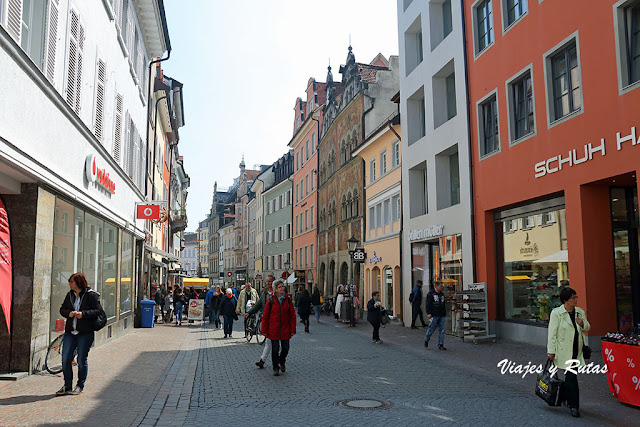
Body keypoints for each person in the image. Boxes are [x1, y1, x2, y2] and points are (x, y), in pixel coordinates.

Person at [56, 273, 104, 396]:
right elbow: (62, 309)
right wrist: (69, 313)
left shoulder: (91, 295)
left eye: (71, 281)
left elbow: (98, 311)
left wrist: (83, 314)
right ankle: (67, 386)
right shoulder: (70, 295)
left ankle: (79, 385)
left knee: (81, 359)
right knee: (66, 358)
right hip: (70, 332)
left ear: (78, 282)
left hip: (85, 332)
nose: (69, 284)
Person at [547, 287, 590, 418]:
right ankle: (574, 406)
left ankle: (568, 400)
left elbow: (588, 327)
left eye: (576, 297)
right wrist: (551, 351)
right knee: (571, 378)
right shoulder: (557, 313)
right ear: (565, 300)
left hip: (576, 351)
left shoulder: (579, 312)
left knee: (571, 377)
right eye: (573, 298)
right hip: (563, 350)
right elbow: (552, 333)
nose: (576, 300)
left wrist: (582, 323)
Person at [261, 279, 296, 376]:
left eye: (283, 286)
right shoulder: (271, 300)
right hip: (274, 328)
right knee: (275, 349)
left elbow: (292, 315)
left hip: (285, 328)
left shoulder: (288, 299)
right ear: (275, 289)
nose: (282, 288)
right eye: (280, 287)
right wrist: (264, 329)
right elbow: (266, 315)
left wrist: (293, 329)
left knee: (286, 348)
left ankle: (282, 361)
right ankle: (275, 367)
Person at [245, 275, 274, 368]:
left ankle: (280, 360)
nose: (268, 283)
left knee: (280, 343)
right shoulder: (264, 293)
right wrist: (249, 313)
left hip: (277, 319)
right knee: (269, 342)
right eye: (267, 281)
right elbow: (258, 305)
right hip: (267, 319)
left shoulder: (278, 293)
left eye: (270, 281)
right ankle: (263, 360)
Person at [424, 281, 447, 350]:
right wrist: (428, 313)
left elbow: (443, 304)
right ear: (436, 286)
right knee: (431, 329)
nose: (442, 287)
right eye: (441, 286)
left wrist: (444, 312)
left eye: (442, 286)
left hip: (442, 314)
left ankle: (441, 344)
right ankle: (426, 339)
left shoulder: (442, 294)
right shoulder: (430, 294)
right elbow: (428, 304)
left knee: (442, 330)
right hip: (434, 315)